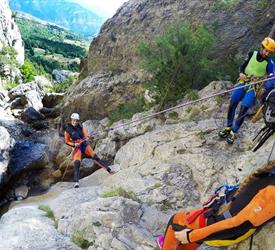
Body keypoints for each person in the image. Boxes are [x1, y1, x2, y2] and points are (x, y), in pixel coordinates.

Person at [158, 160, 275, 250]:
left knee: (176, 221)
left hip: (224, 227)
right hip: (226, 219)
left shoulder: (272, 190)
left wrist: (192, 236)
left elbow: (238, 226)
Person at [219, 37, 275, 144]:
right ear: (262, 47)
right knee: (233, 102)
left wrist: (265, 88)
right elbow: (242, 67)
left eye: (270, 52)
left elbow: (272, 78)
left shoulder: (270, 64)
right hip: (243, 82)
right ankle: (228, 126)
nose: (267, 53)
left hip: (253, 87)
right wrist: (241, 73)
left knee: (244, 109)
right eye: (266, 50)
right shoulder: (251, 54)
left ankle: (233, 132)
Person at [64, 112, 114, 188]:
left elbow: (85, 135)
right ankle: (76, 182)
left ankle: (109, 170)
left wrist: (86, 138)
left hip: (84, 144)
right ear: (71, 120)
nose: (75, 122)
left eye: (76, 120)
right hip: (77, 146)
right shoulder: (68, 130)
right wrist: (74, 144)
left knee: (95, 157)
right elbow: (67, 141)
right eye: (74, 120)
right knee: (77, 162)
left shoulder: (80, 127)